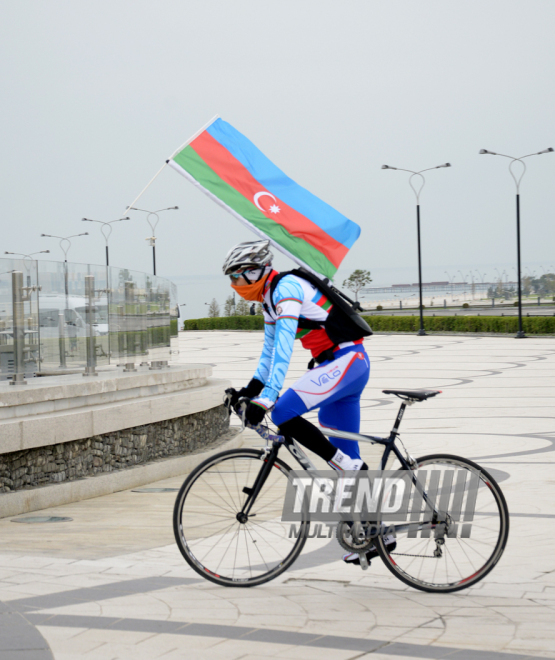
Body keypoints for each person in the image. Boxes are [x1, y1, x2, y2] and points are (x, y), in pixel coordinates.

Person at [223, 240, 394, 565]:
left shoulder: (286, 288)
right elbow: (268, 353)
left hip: (345, 362)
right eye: (231, 280)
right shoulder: (269, 300)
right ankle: (379, 531)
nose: (235, 286)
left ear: (254, 271)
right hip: (341, 366)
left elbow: (285, 348)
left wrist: (268, 398)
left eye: (237, 278)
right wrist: (249, 390)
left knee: (284, 412)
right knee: (351, 463)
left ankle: (345, 466)